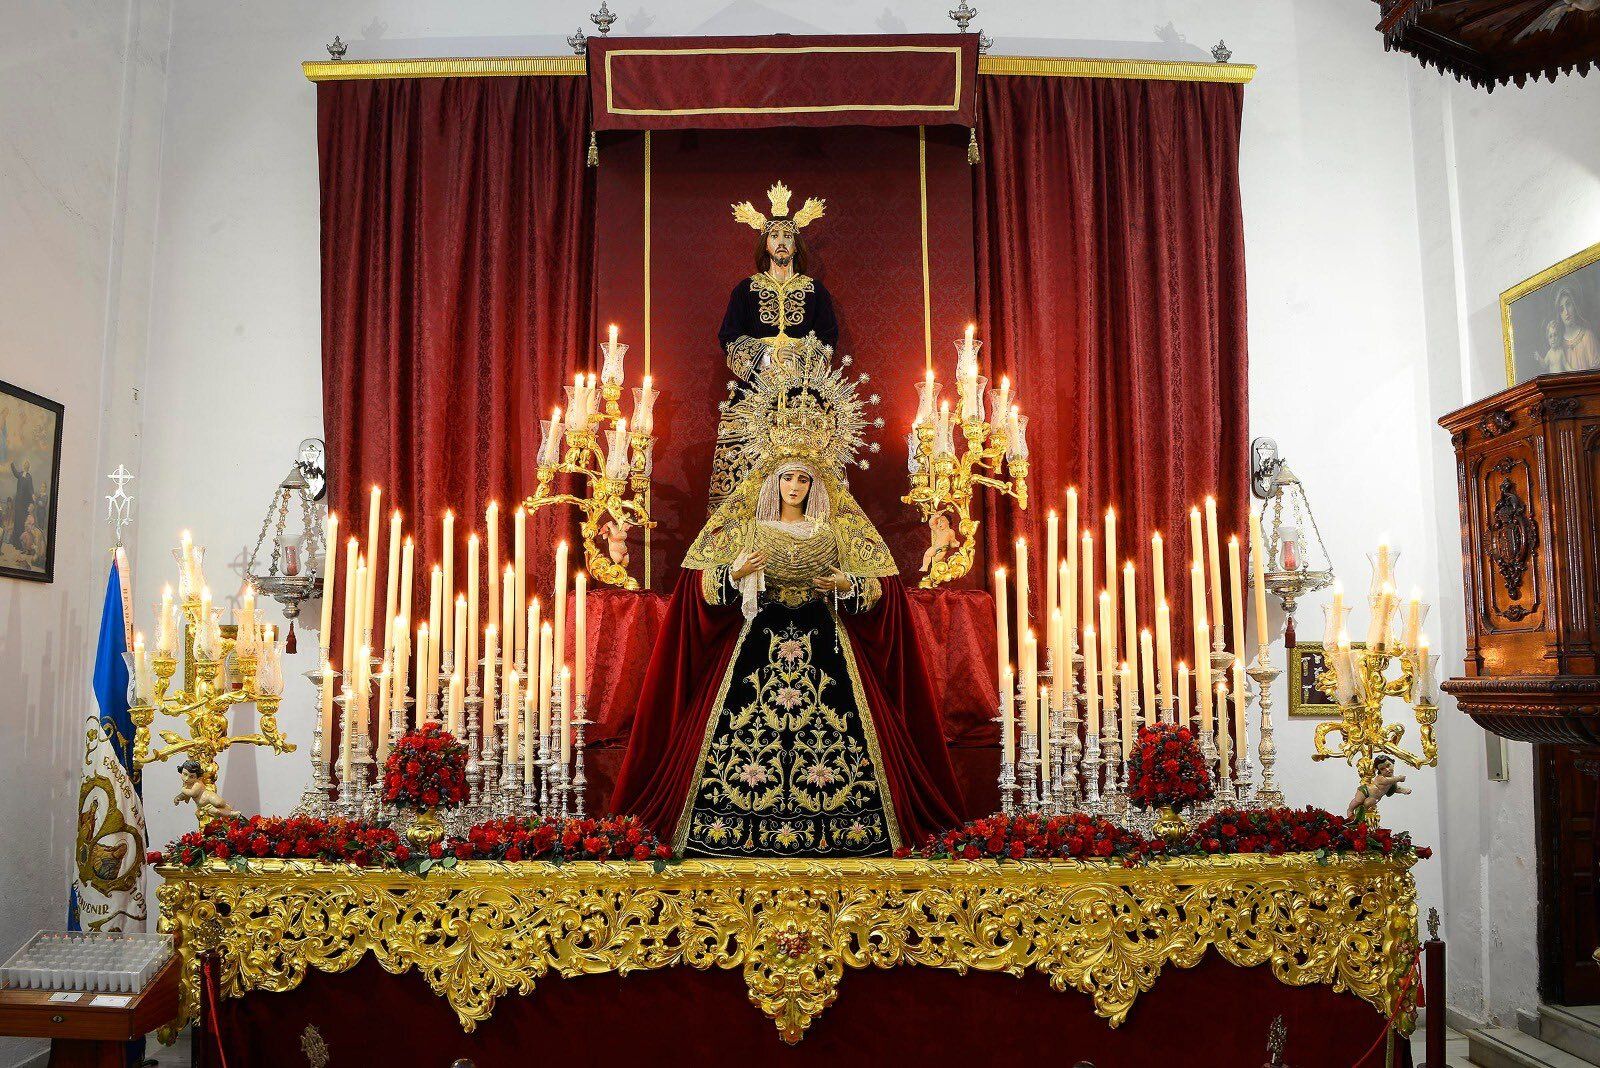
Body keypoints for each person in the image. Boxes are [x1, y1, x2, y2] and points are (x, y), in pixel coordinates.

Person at [611, 343, 963, 855]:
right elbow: (701, 588)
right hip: (756, 646)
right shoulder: (744, 524)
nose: (795, 485)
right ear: (771, 479)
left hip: (829, 647)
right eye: (787, 477)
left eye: (804, 478)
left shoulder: (840, 526)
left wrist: (847, 587)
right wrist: (735, 575)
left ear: (816, 481)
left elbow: (881, 591)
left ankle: (847, 830)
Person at [710, 182, 839, 508]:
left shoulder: (815, 291)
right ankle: (739, 544)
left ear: (796, 246)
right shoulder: (745, 290)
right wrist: (764, 359)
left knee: (804, 469)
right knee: (748, 472)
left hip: (803, 390)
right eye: (775, 236)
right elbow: (729, 335)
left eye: (787, 237)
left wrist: (799, 363)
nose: (781, 242)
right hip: (755, 390)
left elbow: (827, 337)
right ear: (765, 245)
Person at [1556, 285, 1600, 372]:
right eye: (1561, 309)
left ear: (1574, 305)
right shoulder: (1558, 343)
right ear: (1559, 315)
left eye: (1568, 304)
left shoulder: (1588, 336)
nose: (1566, 312)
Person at [9, 458, 33, 548]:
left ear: (28, 467)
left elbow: (31, 489)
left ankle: (21, 544)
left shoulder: (29, 477)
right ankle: (15, 542)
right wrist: (12, 464)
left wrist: (33, 496)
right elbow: (15, 473)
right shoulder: (19, 474)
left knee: (22, 522)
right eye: (25, 464)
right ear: (24, 466)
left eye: (27, 464)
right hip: (18, 502)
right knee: (17, 521)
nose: (26, 465)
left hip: (24, 503)